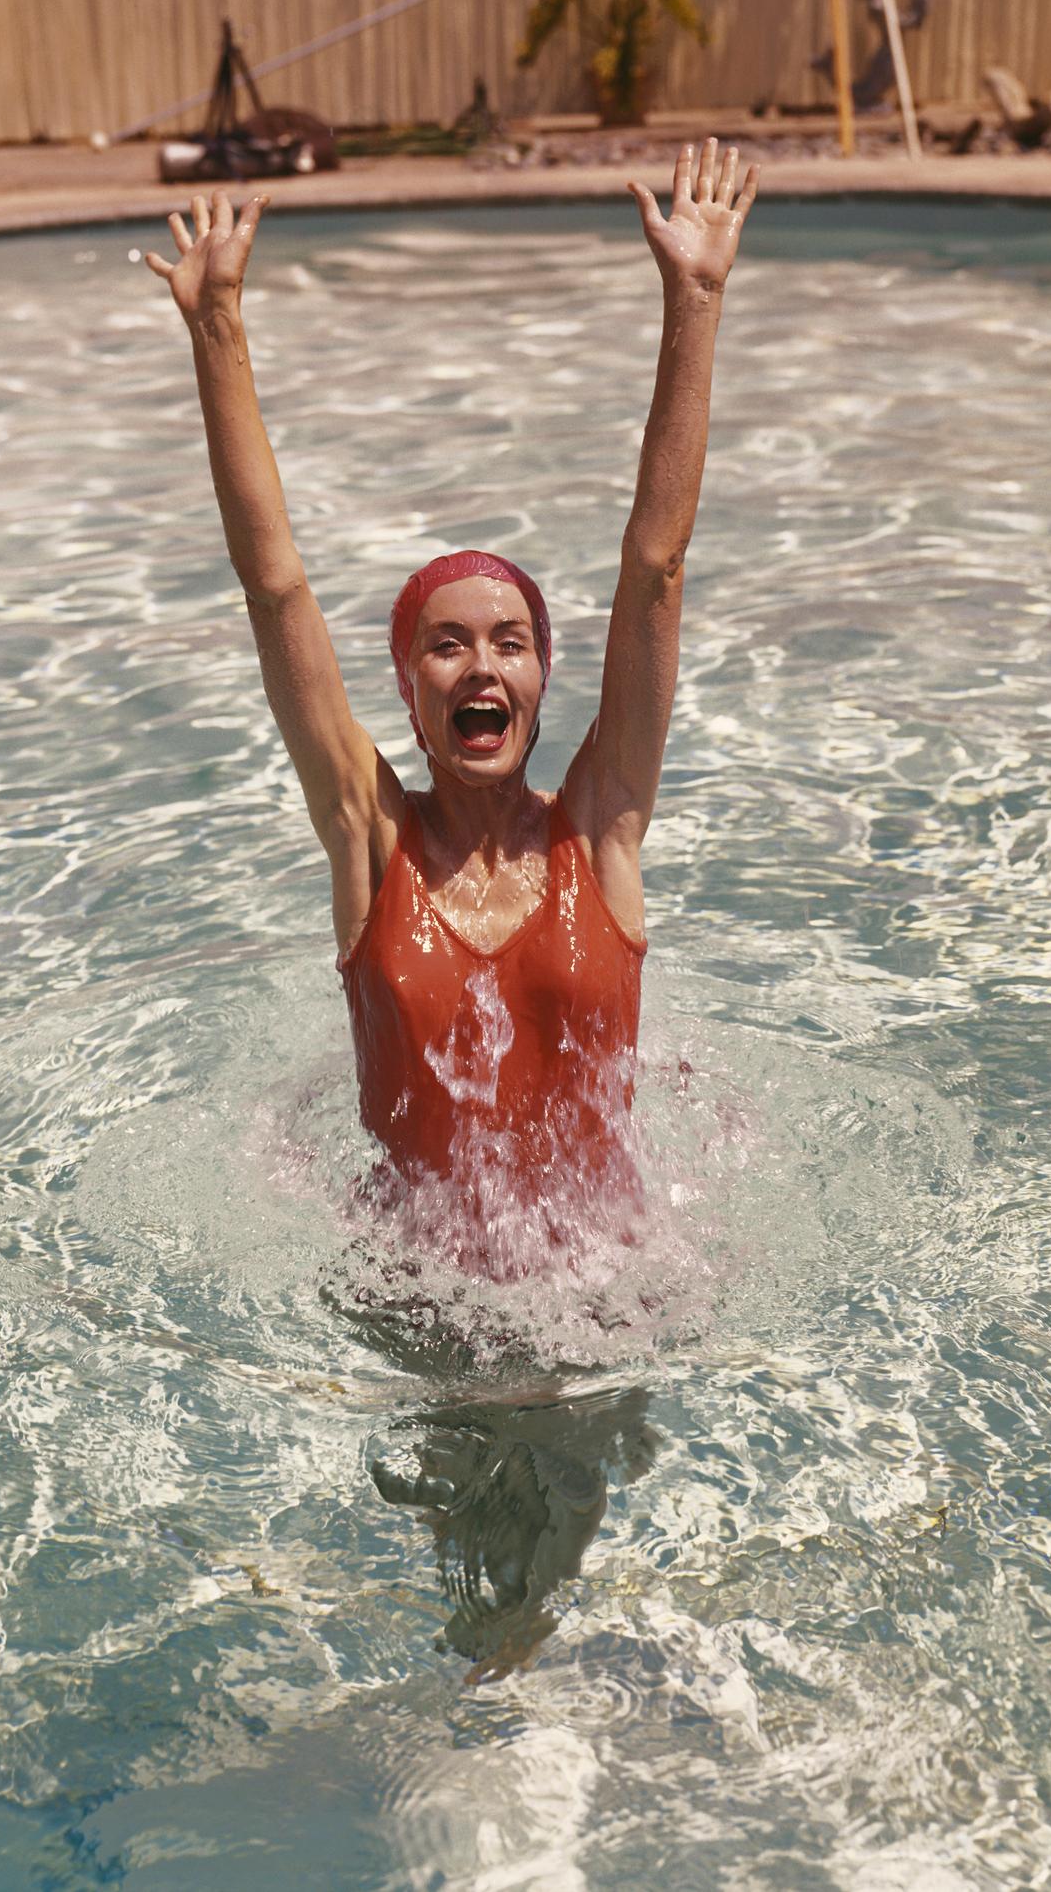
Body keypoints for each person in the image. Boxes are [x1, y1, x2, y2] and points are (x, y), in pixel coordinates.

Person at [146, 141, 758, 1261]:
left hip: (611, 1308)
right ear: (410, 691)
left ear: (541, 680)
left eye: (510, 643)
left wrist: (699, 298)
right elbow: (275, 582)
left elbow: (656, 565)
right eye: (447, 647)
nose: (482, 666)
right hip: (413, 1319)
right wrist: (217, 328)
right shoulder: (367, 839)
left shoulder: (599, 826)